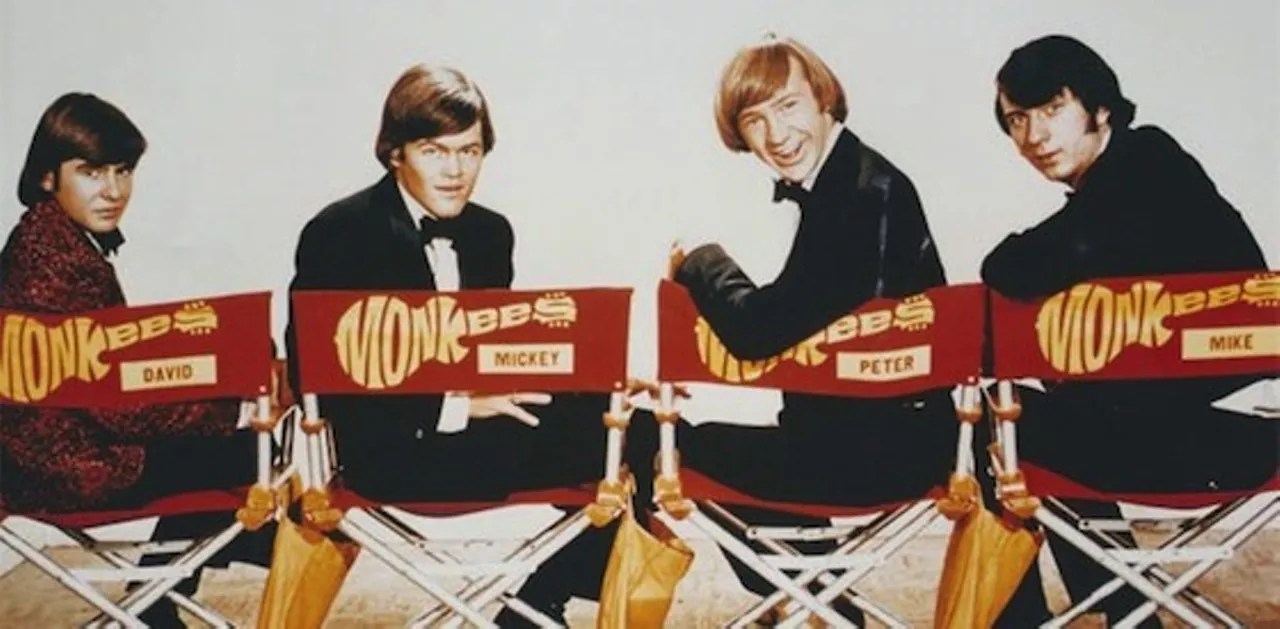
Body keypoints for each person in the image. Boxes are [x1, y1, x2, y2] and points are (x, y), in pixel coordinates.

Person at [285, 64, 616, 626]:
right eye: (434, 151)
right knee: (627, 446)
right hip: (389, 455)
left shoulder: (491, 232)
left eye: (470, 151)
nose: (456, 171)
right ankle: (533, 610)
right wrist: (457, 406)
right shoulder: (340, 232)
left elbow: (491, 353)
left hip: (473, 443)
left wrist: (586, 374)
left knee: (622, 422)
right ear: (396, 153)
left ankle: (538, 599)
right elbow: (311, 371)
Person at [982, 34, 1277, 627]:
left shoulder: (1147, 164)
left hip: (1235, 436)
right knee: (1019, 422)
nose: (1034, 135)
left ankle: (1095, 616)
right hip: (1176, 425)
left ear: (1101, 108)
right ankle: (1123, 613)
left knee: (1004, 427)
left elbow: (1014, 265)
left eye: (1052, 109)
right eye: (1018, 119)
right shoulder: (1118, 184)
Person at [663, 35, 957, 624]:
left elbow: (759, 329)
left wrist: (700, 260)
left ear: (823, 97)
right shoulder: (854, 179)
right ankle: (815, 598)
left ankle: (808, 599)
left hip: (876, 453)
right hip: (880, 440)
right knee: (709, 444)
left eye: (788, 106)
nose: (776, 134)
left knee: (664, 443)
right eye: (754, 120)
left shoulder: (860, 194)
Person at [0, 92, 272, 627]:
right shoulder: (52, 259)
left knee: (235, 441)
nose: (113, 190)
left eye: (123, 171)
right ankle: (162, 593)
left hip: (60, 448)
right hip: (62, 466)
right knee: (241, 451)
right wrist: (235, 410)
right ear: (49, 176)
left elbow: (121, 366)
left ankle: (161, 592)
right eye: (91, 172)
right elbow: (116, 405)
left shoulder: (53, 238)